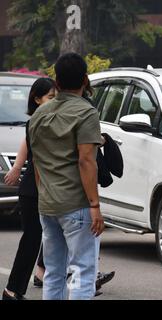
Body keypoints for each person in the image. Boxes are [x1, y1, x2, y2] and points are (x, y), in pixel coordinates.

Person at [28, 53, 104, 300]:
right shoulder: (86, 113)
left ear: (57, 83)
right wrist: (95, 205)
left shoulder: (39, 114)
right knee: (83, 272)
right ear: (85, 79)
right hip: (77, 204)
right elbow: (86, 160)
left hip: (47, 204)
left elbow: (37, 160)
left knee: (53, 272)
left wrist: (44, 194)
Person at [2, 78, 56, 300]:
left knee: (46, 238)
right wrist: (16, 168)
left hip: (44, 188)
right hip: (33, 190)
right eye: (50, 98)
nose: (55, 102)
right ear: (37, 99)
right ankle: (12, 290)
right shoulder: (38, 122)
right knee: (32, 240)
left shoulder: (45, 120)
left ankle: (22, 286)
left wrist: (17, 167)